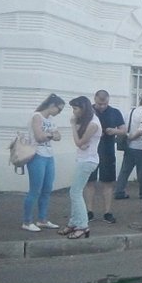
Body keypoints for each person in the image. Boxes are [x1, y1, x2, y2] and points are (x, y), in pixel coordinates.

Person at [58, 96, 101, 240]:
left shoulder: (93, 124)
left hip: (88, 161)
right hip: (84, 159)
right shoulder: (88, 121)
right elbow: (80, 143)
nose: (73, 111)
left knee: (75, 192)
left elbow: (79, 142)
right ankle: (74, 222)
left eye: (75, 108)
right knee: (75, 192)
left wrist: (72, 125)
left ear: (83, 109)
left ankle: (82, 225)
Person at [21, 94, 65, 232]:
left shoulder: (50, 120)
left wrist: (50, 135)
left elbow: (59, 136)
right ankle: (27, 221)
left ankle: (42, 219)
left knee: (47, 189)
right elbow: (39, 137)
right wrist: (51, 134)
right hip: (37, 155)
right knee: (35, 190)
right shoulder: (37, 116)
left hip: (49, 155)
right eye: (59, 109)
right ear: (52, 106)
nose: (59, 113)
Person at [84, 90, 125, 224]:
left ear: (108, 100)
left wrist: (115, 131)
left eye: (104, 104)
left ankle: (107, 212)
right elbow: (79, 128)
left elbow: (124, 130)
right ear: (94, 100)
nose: (101, 106)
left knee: (107, 183)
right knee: (90, 182)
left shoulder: (115, 112)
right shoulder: (87, 111)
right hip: (90, 151)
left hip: (107, 151)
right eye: (99, 104)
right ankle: (89, 211)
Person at [113, 95, 142, 200]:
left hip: (129, 145)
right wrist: (132, 137)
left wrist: (129, 138)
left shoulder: (130, 112)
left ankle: (119, 191)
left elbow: (122, 126)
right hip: (141, 145)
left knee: (125, 170)